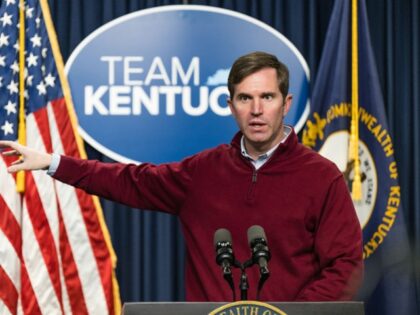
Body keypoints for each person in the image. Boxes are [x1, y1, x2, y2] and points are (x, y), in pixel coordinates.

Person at [0, 51, 363, 302]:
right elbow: (130, 181)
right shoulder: (202, 173)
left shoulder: (321, 178)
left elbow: (345, 265)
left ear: (286, 103)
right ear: (229, 105)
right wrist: (52, 162)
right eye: (244, 98)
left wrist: (294, 314)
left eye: (267, 97)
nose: (256, 110)